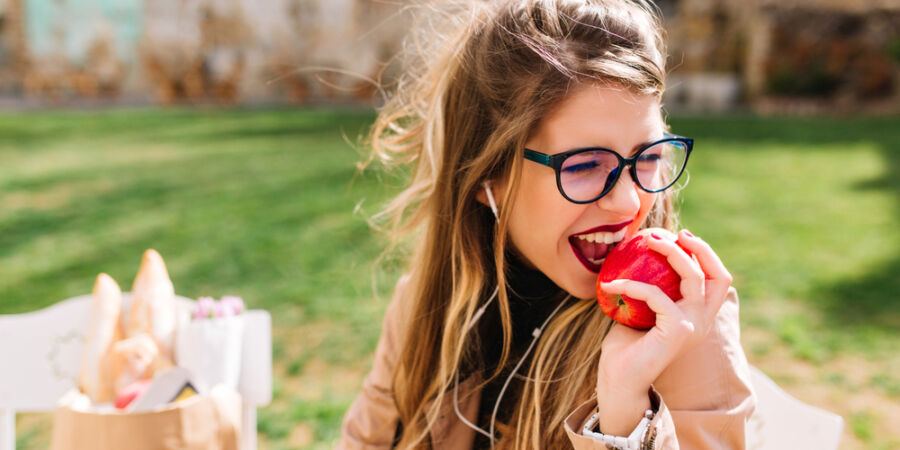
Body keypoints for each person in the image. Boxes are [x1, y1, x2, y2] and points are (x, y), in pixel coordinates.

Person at [339, 0, 755, 448]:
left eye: (648, 157)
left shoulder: (683, 323)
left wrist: (625, 410)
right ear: (485, 175)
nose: (629, 201)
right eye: (584, 165)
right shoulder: (428, 304)